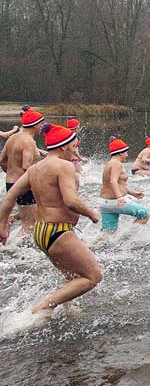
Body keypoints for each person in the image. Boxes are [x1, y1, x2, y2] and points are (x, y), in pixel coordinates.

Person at [0, 122, 101, 315]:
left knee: (74, 276)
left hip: (41, 232)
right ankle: (43, 309)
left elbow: (10, 196)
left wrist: (3, 225)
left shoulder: (35, 169)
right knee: (92, 276)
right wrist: (92, 214)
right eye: (73, 146)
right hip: (58, 231)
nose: (75, 149)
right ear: (63, 146)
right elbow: (70, 201)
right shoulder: (63, 166)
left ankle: (67, 312)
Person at [0, 106, 45, 232]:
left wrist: (11, 173)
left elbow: (2, 160)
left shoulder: (12, 138)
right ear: (35, 125)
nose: (43, 127)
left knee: (28, 218)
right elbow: (26, 166)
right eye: (42, 124)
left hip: (11, 183)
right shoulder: (29, 141)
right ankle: (23, 250)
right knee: (30, 225)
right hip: (25, 185)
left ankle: (10, 230)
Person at [99, 137, 149, 232]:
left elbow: (116, 183)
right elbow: (113, 181)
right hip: (115, 202)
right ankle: (125, 238)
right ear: (121, 153)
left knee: (108, 233)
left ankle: (91, 245)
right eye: (126, 152)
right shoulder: (117, 164)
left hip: (105, 203)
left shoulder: (108, 164)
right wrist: (119, 197)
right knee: (144, 215)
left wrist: (132, 193)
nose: (127, 155)